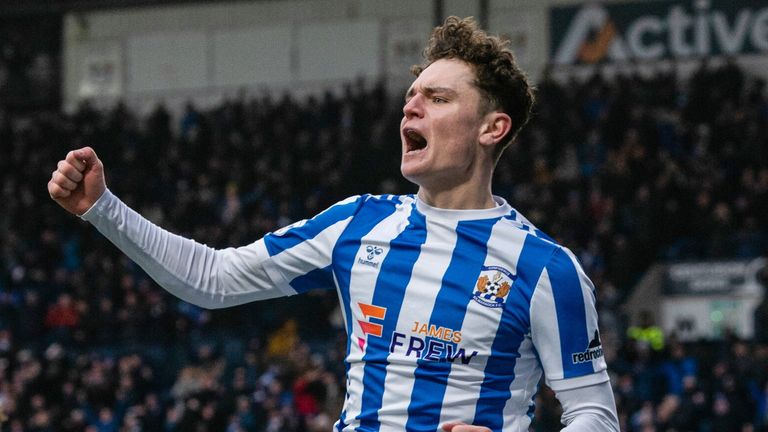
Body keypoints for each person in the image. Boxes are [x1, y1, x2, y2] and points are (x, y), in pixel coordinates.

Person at [48, 16, 619, 432]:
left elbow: (593, 413)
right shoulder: (357, 225)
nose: (411, 108)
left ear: (492, 128)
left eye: (437, 98)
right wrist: (104, 207)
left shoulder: (544, 268)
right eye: (411, 96)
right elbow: (213, 279)